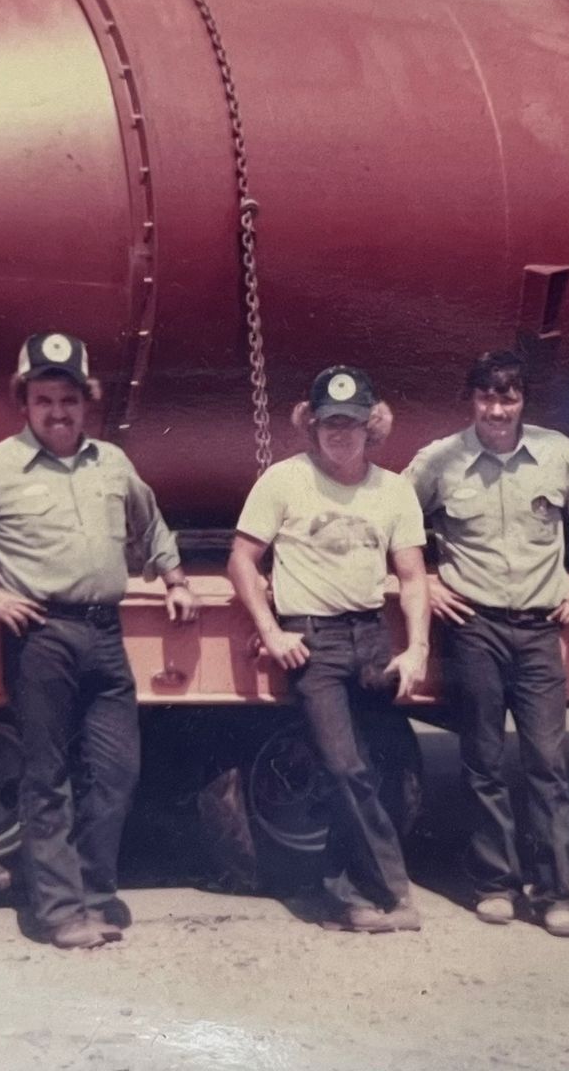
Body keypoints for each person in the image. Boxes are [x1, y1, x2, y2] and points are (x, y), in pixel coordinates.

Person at [0, 331, 198, 950]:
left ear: (85, 401)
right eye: (44, 400)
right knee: (49, 777)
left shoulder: (112, 464)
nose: (57, 412)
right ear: (25, 403)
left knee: (117, 773)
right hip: (41, 637)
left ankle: (95, 893)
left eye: (68, 398)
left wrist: (174, 579)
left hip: (105, 634)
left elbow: (150, 522)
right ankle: (60, 910)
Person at [403, 349, 569, 937]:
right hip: (475, 628)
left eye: (509, 398)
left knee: (547, 762)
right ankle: (494, 885)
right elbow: (392, 522)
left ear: (524, 401)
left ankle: (556, 895)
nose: (497, 410)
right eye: (486, 397)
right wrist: (427, 581)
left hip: (540, 630)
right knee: (483, 760)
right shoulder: (440, 460)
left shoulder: (558, 454)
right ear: (471, 399)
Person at [226, 365, 431, 933]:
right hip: (313, 644)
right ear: (311, 425)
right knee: (343, 768)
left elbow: (413, 577)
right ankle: (394, 891)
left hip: (371, 637)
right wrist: (271, 630)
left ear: (374, 426)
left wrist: (415, 651)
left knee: (374, 769)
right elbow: (242, 559)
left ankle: (350, 893)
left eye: (353, 422)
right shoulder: (283, 482)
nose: (341, 433)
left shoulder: (393, 491)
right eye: (329, 422)